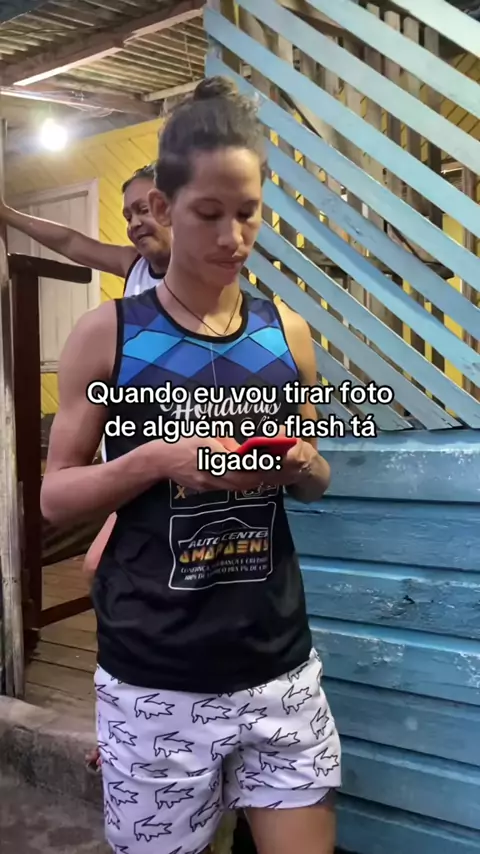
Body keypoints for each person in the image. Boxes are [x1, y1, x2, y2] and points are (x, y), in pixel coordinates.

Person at [41, 76, 341, 854]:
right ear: (165, 207)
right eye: (210, 213)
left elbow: (317, 479)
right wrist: (154, 460)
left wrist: (301, 464)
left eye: (249, 213)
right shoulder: (110, 335)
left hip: (278, 664)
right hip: (156, 677)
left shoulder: (287, 334)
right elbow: (56, 497)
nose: (233, 237)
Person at [0, 164, 170, 297]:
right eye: (128, 218)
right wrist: (6, 213)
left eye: (144, 210)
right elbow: (68, 241)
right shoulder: (134, 263)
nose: (134, 224)